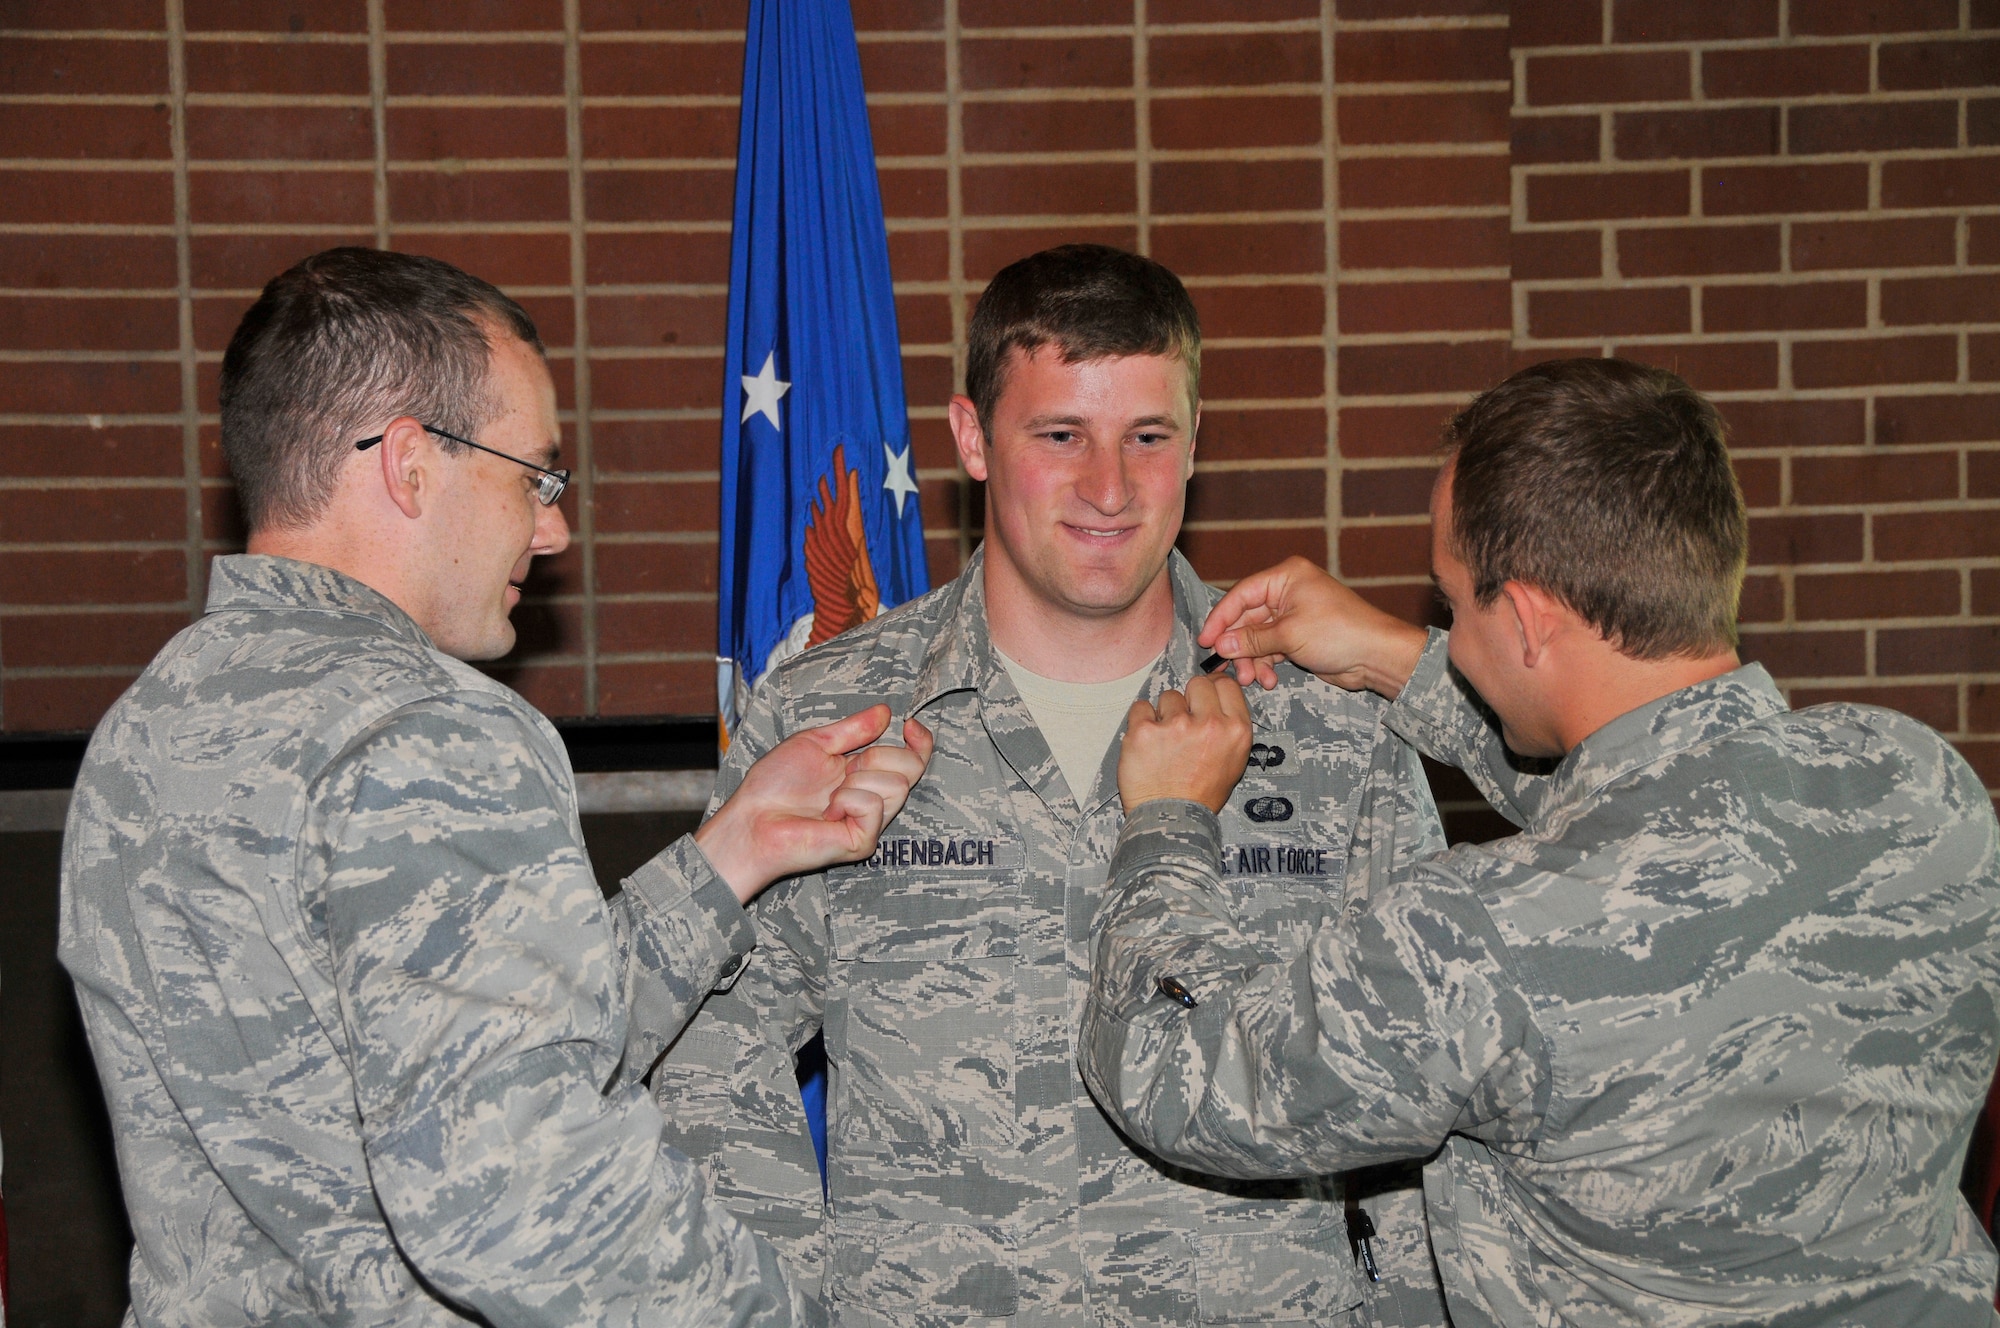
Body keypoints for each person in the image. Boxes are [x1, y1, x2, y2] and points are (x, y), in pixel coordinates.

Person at [58, 247, 934, 1327]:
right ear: (412, 463)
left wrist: (733, 851)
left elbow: (418, 1054)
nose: (554, 527)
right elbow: (518, 1193)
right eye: (535, 475)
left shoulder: (150, 724)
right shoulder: (432, 726)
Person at [1079, 357, 2000, 1326]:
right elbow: (1653, 805)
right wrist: (1396, 659)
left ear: (1523, 616)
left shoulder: (1473, 938)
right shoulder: (1920, 787)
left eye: (1450, 603)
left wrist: (1166, 819)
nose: (1446, 629)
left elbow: (1179, 1071)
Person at [652, 244, 1451, 1327]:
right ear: (973, 439)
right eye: (1060, 434)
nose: (1108, 489)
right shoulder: (830, 716)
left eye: (1146, 437)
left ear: (1193, 443)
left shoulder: (1327, 723)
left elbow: (1420, 1075)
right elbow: (714, 1041)